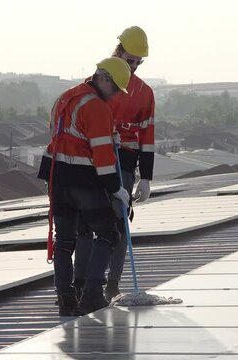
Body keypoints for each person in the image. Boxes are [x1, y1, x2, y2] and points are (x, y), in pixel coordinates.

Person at [37, 57, 132, 316]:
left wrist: (105, 133)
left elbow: (66, 135)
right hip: (84, 181)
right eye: (113, 88)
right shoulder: (97, 107)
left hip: (57, 178)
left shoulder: (66, 97)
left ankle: (66, 298)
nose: (113, 95)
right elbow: (102, 155)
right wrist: (116, 188)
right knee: (108, 234)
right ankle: (91, 294)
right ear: (102, 78)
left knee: (65, 241)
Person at [75, 26, 156, 302]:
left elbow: (147, 135)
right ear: (118, 51)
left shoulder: (145, 93)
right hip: (93, 159)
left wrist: (146, 176)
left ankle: (113, 285)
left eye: (138, 62)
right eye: (129, 60)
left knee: (119, 221)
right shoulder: (98, 82)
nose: (133, 67)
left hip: (124, 160)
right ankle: (81, 283)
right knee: (87, 222)